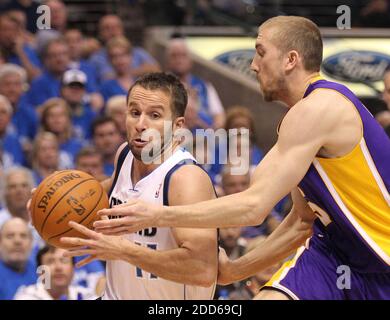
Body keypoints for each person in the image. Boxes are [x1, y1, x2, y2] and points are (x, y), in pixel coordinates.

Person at [95, 16, 390, 300]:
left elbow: (254, 207)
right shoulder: (299, 119)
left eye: (261, 53)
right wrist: (236, 270)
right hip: (334, 255)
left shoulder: (320, 107)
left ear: (290, 60)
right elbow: (301, 221)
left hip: (382, 258)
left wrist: (158, 214)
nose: (253, 65)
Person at [59, 72, 218, 300]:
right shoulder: (124, 154)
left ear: (177, 126)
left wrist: (123, 250)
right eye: (134, 113)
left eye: (154, 115)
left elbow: (202, 270)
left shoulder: (185, 179)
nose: (141, 124)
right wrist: (53, 195)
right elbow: (101, 192)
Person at [165, 37, 225, 130]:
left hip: (206, 134)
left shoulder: (204, 85)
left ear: (190, 61)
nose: (179, 60)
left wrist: (213, 131)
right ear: (168, 61)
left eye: (183, 55)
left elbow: (219, 115)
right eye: (174, 56)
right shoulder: (161, 86)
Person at [89, 14, 160, 84]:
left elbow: (156, 70)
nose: (113, 32)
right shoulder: (96, 58)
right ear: (100, 33)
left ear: (122, 30)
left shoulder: (138, 52)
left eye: (116, 27)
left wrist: (125, 74)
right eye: (107, 28)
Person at [14, 245, 96, 300]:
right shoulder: (26, 297)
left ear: (73, 268)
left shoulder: (87, 295)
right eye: (50, 262)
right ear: (40, 272)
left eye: (64, 261)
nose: (58, 267)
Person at [39, 98, 85, 169]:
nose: (56, 120)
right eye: (51, 115)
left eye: (61, 115)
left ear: (68, 119)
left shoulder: (79, 147)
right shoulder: (38, 146)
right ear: (44, 120)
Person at [0, 218, 37, 300]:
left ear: (31, 242)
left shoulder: (41, 273)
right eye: (10, 236)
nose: (17, 241)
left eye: (23, 236)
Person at [0, 13, 41, 80]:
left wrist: (20, 53)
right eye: (4, 29)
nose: (8, 34)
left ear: (18, 32)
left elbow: (36, 77)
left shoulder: (26, 50)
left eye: (11, 30)